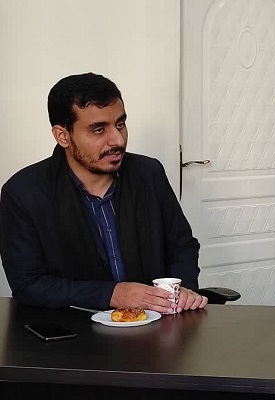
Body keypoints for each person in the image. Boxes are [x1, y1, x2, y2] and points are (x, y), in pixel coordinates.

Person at [0, 72, 208, 314]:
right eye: (99, 130)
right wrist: (113, 294)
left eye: (120, 124)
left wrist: (183, 290)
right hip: (75, 329)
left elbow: (182, 245)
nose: (118, 140)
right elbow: (28, 284)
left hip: (156, 323)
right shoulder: (24, 193)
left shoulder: (148, 173)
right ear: (63, 136)